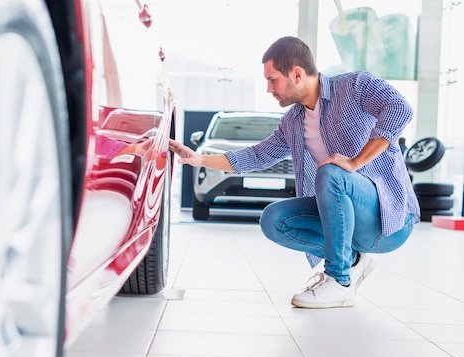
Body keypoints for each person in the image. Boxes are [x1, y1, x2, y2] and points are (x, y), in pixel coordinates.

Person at [169, 36, 420, 309]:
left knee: (331, 172)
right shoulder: (293, 121)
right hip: (349, 222)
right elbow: (256, 155)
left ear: (297, 74)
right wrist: (198, 158)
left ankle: (340, 281)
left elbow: (399, 109)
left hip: (387, 219)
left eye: (272, 79)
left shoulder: (355, 86)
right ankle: (352, 261)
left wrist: (355, 162)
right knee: (274, 219)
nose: (268, 89)